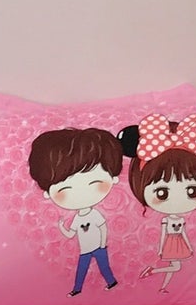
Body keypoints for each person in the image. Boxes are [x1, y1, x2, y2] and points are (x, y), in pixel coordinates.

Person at [117, 113, 196, 291]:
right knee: (176, 267)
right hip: (171, 245)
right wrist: (161, 249)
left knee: (175, 267)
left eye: (192, 191)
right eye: (161, 193)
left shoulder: (177, 220)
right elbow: (163, 235)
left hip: (177, 245)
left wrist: (187, 247)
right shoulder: (167, 221)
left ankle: (159, 280)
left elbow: (181, 234)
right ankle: (157, 277)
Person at [26, 127, 124, 296]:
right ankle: (77, 289)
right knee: (82, 268)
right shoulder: (78, 218)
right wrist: (61, 226)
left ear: (113, 178)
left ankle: (111, 282)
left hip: (98, 248)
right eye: (66, 189)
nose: (81, 193)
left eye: (94, 183)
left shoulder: (95, 214)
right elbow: (71, 234)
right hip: (85, 249)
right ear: (48, 193)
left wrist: (102, 244)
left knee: (104, 266)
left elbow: (103, 228)